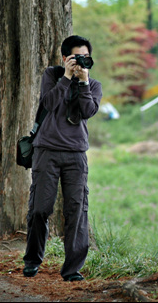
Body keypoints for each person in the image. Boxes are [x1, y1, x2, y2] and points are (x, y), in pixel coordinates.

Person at [23, 35, 102, 282]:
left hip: (76, 154)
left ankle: (71, 269)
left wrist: (83, 82)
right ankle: (33, 259)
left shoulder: (93, 85)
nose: (80, 62)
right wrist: (67, 78)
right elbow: (49, 103)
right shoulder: (52, 75)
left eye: (85, 57)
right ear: (64, 57)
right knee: (40, 208)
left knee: (76, 210)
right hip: (47, 150)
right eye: (75, 57)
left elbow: (88, 111)